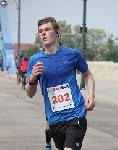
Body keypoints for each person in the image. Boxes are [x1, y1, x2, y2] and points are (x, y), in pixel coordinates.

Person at [25, 16, 95, 150]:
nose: (43, 33)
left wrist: (91, 94)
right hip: (55, 120)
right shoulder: (35, 60)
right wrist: (33, 78)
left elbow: (88, 74)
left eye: (47, 29)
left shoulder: (72, 54)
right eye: (40, 31)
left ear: (57, 32)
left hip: (76, 115)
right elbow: (30, 94)